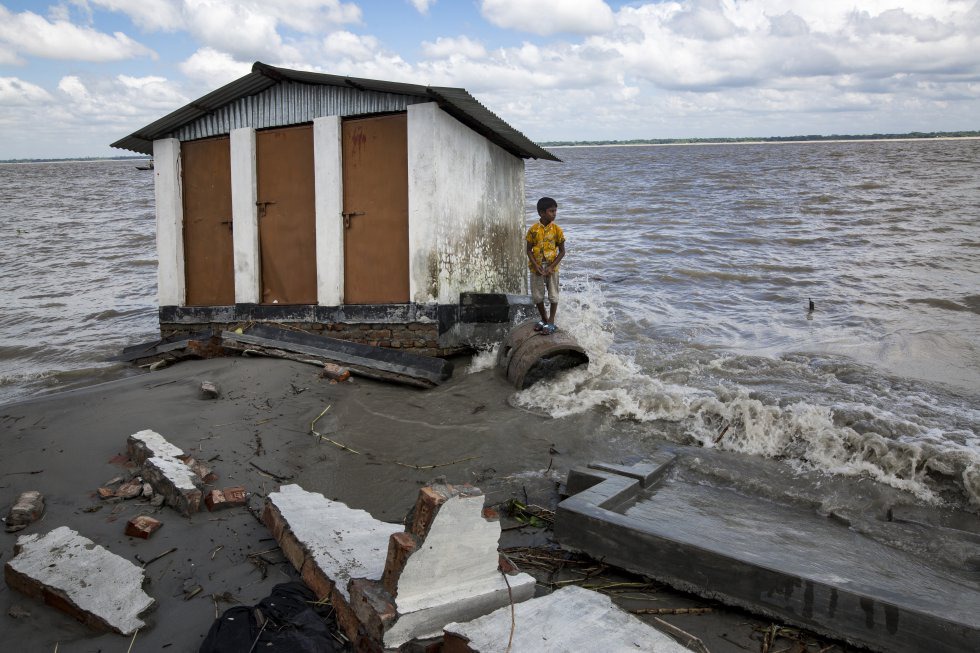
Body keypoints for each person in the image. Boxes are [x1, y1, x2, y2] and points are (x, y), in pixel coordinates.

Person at [526, 196, 566, 335]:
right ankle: (544, 318)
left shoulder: (557, 230)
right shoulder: (533, 230)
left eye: (555, 211)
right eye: (551, 211)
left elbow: (562, 251)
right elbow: (528, 250)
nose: (554, 214)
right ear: (542, 213)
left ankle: (551, 320)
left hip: (552, 268)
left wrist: (551, 267)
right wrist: (536, 265)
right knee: (537, 296)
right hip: (536, 268)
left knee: (553, 295)